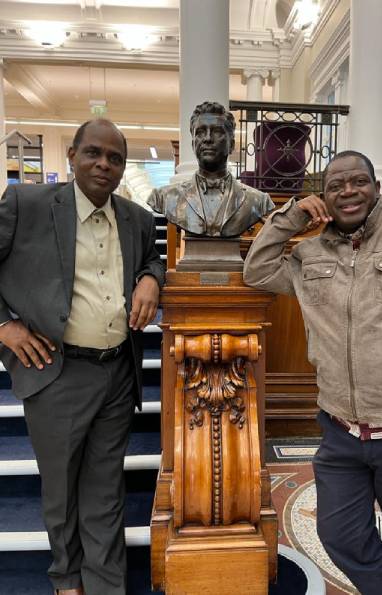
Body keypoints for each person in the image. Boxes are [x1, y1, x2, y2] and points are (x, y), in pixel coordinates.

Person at [243, 150, 382, 595]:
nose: (348, 192)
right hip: (341, 431)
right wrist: (291, 218)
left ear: (377, 188)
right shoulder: (310, 253)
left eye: (358, 182)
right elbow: (256, 270)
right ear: (324, 197)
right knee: (339, 534)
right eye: (335, 186)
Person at [0, 118, 165, 595]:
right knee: (61, 488)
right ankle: (66, 580)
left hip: (116, 371)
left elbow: (151, 260)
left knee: (106, 489)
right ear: (71, 156)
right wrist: (5, 327)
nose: (103, 164)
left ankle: (106, 586)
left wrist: (152, 277)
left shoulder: (136, 217)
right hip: (56, 371)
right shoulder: (26, 204)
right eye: (93, 153)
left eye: (115, 158)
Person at [147, 101, 274, 237]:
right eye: (200, 132)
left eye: (217, 132)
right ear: (193, 144)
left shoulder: (258, 201)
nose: (207, 139)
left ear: (231, 144)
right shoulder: (165, 197)